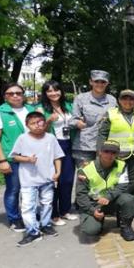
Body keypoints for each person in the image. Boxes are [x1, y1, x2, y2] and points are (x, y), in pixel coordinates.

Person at [10, 112, 65, 246]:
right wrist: (27, 159)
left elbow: (57, 156)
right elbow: (14, 156)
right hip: (28, 180)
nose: (37, 126)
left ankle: (45, 225)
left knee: (47, 203)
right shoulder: (22, 138)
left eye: (40, 122)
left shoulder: (51, 138)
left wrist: (58, 171)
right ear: (27, 125)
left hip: (47, 179)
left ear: (44, 123)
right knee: (28, 207)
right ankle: (33, 232)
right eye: (33, 123)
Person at [76, 140, 134, 241]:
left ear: (117, 154)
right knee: (91, 230)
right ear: (100, 152)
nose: (110, 155)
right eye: (106, 151)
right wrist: (92, 211)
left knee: (128, 199)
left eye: (113, 152)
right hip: (93, 203)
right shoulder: (85, 169)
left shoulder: (122, 165)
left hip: (111, 200)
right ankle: (97, 218)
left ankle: (126, 226)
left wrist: (108, 197)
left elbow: (122, 186)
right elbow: (81, 195)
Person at [37, 80, 78, 226]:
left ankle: (65, 210)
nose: (53, 93)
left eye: (56, 90)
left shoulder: (68, 106)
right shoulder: (41, 108)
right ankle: (54, 214)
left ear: (61, 91)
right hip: (52, 146)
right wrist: (48, 121)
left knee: (67, 180)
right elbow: (38, 130)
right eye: (49, 91)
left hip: (68, 144)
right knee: (53, 181)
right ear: (45, 93)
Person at [0, 83, 35, 232]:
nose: (15, 96)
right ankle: (14, 219)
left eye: (18, 93)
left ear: (23, 94)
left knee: (31, 189)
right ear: (5, 96)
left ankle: (30, 216)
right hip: (12, 159)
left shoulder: (31, 110)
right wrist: (2, 161)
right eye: (11, 93)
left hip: (32, 158)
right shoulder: (1, 112)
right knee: (14, 189)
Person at [97, 90, 134, 194]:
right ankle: (114, 205)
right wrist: (100, 153)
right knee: (115, 181)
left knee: (133, 182)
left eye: (131, 99)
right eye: (124, 98)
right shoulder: (111, 113)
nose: (128, 101)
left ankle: (130, 204)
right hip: (116, 155)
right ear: (119, 100)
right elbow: (102, 134)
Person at [71, 70, 117, 166]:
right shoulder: (81, 98)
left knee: (103, 178)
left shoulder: (112, 100)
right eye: (96, 81)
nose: (99, 84)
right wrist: (78, 123)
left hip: (106, 146)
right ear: (90, 82)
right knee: (84, 177)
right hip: (85, 147)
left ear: (107, 83)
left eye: (103, 82)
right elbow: (72, 120)